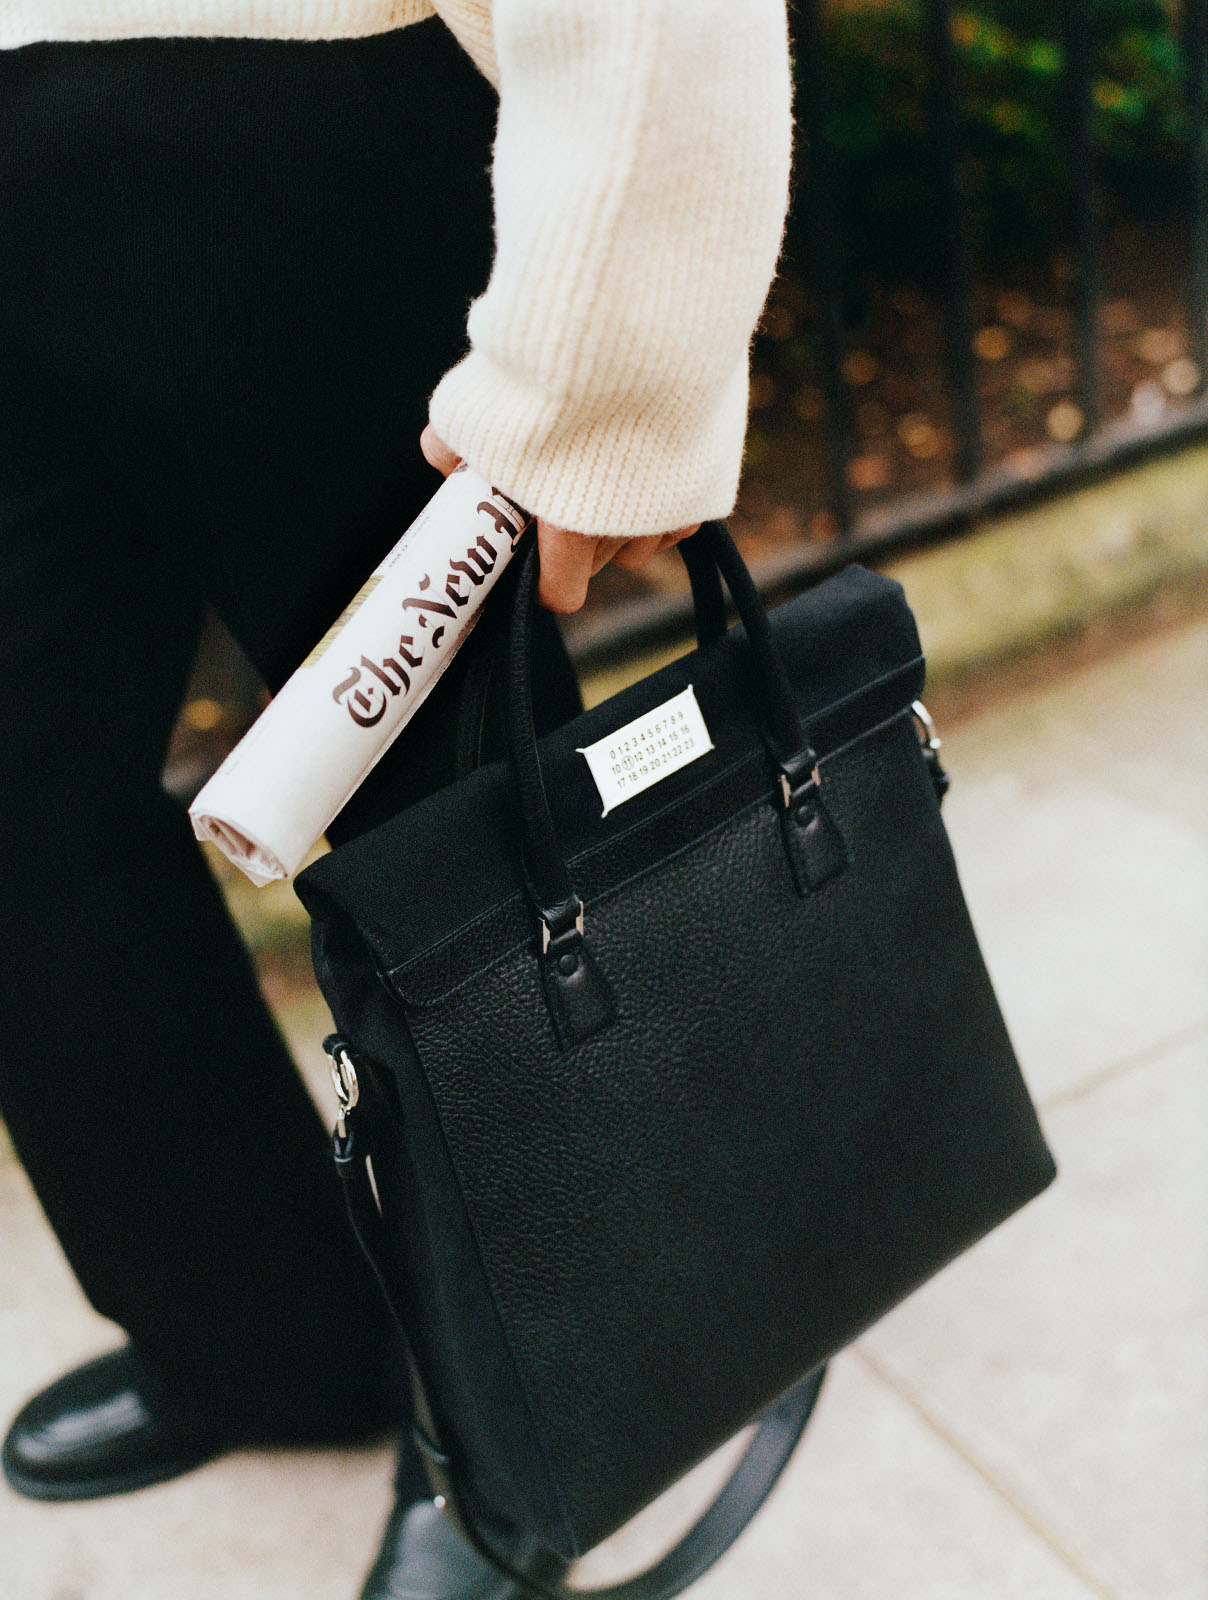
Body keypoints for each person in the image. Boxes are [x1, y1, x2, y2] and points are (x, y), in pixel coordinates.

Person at [0, 3, 793, 1595]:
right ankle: (266, 1337)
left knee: (457, 843)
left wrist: (597, 381)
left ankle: (540, 1411)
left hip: (285, 126)